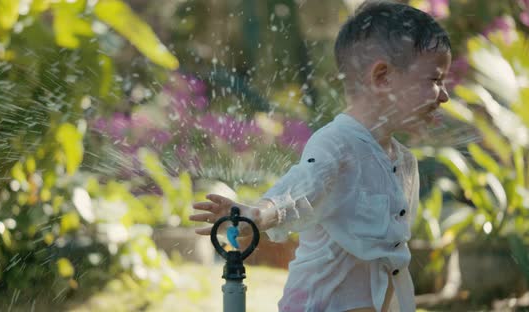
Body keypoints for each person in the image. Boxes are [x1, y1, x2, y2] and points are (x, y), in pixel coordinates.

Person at [189, 0, 452, 311]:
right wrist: (257, 215)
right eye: (435, 80)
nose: (445, 96)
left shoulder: (403, 161)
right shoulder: (337, 145)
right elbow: (298, 192)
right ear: (383, 77)